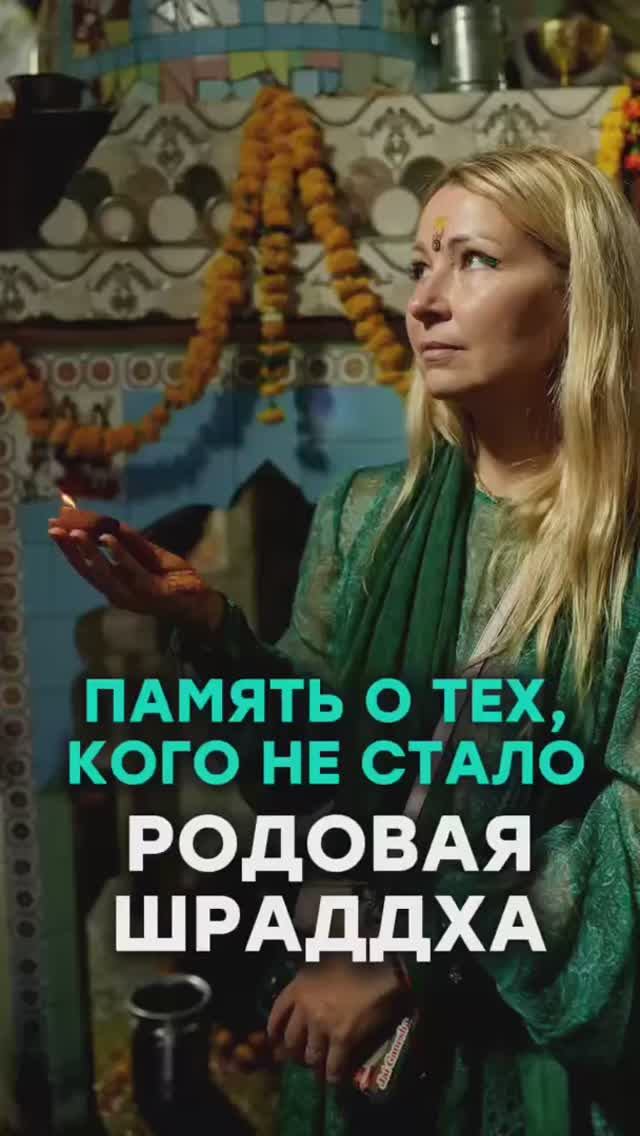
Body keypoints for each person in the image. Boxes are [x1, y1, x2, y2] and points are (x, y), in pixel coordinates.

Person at [48, 143, 640, 1136]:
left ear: (583, 296)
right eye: (420, 265)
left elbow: (628, 842)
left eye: (476, 261)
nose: (426, 301)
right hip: (355, 1036)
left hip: (535, 1072)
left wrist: (406, 960)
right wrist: (209, 631)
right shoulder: (367, 518)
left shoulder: (623, 547)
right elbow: (311, 767)